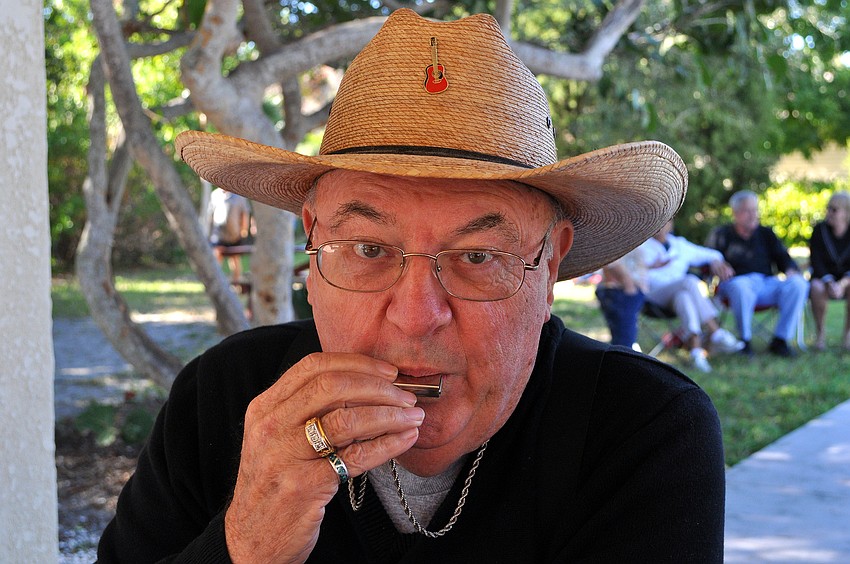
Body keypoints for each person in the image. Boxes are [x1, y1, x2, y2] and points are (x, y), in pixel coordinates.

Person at [98, 9, 725, 562]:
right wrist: (244, 546)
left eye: (478, 255)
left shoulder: (642, 430)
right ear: (313, 249)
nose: (418, 316)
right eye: (369, 249)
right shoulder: (219, 401)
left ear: (550, 267)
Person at [705, 190, 809, 357]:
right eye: (748, 210)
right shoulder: (721, 234)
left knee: (799, 284)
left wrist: (791, 271)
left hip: (766, 284)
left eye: (755, 210)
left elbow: (784, 260)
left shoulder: (766, 233)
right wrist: (715, 262)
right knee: (741, 286)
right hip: (735, 285)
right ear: (735, 213)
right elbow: (707, 258)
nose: (753, 215)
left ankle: (780, 340)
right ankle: (744, 342)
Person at [639, 219, 744, 372]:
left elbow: (712, 254)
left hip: (677, 296)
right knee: (688, 281)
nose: (660, 227)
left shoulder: (680, 245)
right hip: (652, 296)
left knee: (684, 297)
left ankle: (696, 353)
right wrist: (648, 267)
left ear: (671, 224)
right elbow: (626, 270)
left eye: (665, 222)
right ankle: (715, 331)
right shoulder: (640, 246)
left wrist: (716, 262)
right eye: (656, 222)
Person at [809, 191, 850, 350]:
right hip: (824, 277)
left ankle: (848, 335)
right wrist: (830, 282)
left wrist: (843, 283)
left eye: (834, 209)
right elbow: (816, 260)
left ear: (846, 212)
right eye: (828, 208)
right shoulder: (820, 230)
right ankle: (820, 333)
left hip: (847, 278)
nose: (829, 213)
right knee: (816, 287)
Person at [595, 247, 647, 349]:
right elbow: (610, 261)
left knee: (623, 339)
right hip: (622, 290)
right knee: (624, 342)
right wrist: (629, 286)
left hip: (630, 290)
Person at [208, 187, 252, 282]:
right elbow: (210, 214)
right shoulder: (215, 194)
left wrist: (244, 230)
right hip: (218, 235)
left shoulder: (239, 196)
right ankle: (216, 281)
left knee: (234, 259)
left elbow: (245, 213)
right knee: (217, 257)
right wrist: (209, 231)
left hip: (234, 236)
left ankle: (236, 282)